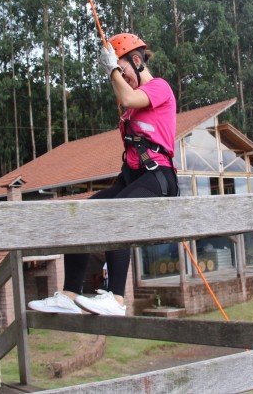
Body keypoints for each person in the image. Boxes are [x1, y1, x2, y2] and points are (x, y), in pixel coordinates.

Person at [27, 33, 178, 316]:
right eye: (118, 72)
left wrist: (111, 69)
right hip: (132, 177)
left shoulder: (160, 88)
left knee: (114, 214)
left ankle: (117, 299)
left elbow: (128, 96)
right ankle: (70, 296)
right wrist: (115, 70)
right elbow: (127, 97)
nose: (122, 77)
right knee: (84, 215)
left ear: (137, 61)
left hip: (157, 177)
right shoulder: (134, 109)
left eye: (123, 71)